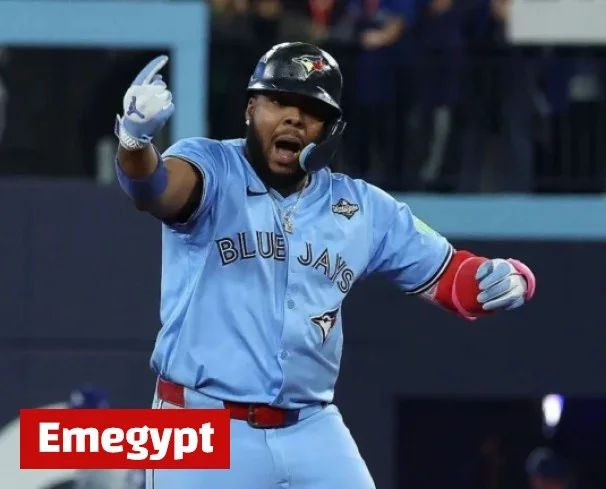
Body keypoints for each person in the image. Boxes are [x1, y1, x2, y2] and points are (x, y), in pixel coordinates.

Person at [112, 42, 537, 489]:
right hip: (201, 422)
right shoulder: (212, 166)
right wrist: (135, 140)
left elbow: (453, 277)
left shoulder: (361, 207)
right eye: (279, 101)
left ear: (330, 129)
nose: (294, 117)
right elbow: (154, 188)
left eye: (311, 109)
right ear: (250, 109)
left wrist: (509, 278)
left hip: (309, 424)